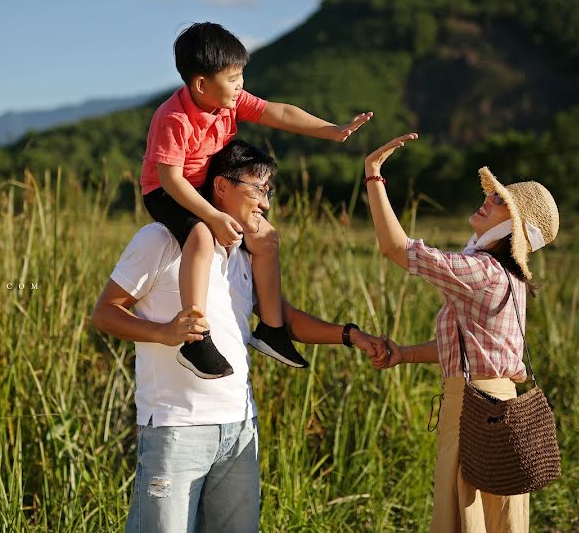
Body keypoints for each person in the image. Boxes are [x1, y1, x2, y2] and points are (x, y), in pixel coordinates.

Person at [93, 140, 389, 532]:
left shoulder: (245, 252)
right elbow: (105, 312)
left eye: (269, 191)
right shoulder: (160, 239)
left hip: (239, 426)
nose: (265, 203)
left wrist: (350, 335)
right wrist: (164, 333)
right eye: (257, 189)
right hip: (176, 428)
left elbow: (281, 317)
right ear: (221, 187)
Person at [140, 22, 373, 379]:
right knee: (201, 235)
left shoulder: (229, 102)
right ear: (202, 84)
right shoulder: (173, 118)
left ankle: (272, 328)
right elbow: (171, 180)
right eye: (233, 78)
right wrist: (213, 217)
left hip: (203, 185)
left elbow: (279, 112)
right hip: (167, 192)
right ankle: (195, 337)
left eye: (241, 75)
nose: (241, 85)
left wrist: (331, 130)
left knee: (266, 237)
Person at [361, 133, 560, 532]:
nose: (487, 199)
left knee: (466, 518)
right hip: (498, 403)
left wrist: (373, 177)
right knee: (497, 519)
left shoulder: (482, 272)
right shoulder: (508, 277)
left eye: (499, 201)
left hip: (473, 406)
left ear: (514, 229)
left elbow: (395, 248)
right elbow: (467, 347)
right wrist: (403, 353)